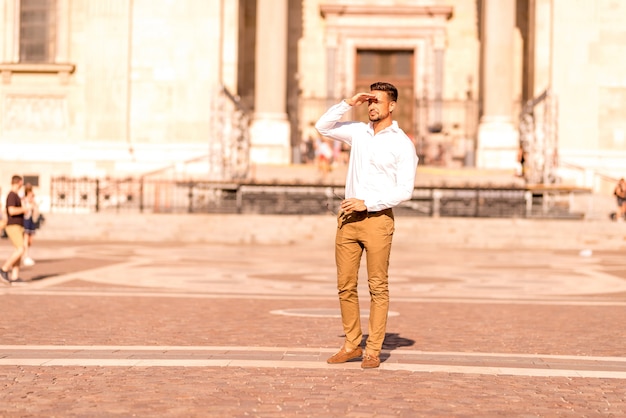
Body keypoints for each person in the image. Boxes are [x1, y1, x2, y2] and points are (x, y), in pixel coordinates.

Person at [315, 82, 418, 368]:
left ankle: (373, 349)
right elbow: (323, 126)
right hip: (348, 219)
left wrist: (368, 202)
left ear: (392, 106)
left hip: (378, 219)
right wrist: (349, 102)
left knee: (377, 286)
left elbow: (405, 190)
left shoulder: (402, 143)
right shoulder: (358, 132)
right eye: (369, 102)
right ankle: (351, 344)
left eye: (377, 102)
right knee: (345, 285)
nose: (372, 107)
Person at [1, 175, 29, 284]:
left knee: (18, 250)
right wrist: (24, 209)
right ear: (20, 182)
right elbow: (11, 211)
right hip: (13, 226)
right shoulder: (11, 195)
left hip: (18, 226)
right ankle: (4, 269)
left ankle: (15, 276)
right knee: (21, 249)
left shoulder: (16, 195)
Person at [22, 183, 40, 266]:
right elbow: (24, 211)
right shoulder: (23, 200)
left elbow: (36, 213)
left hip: (31, 220)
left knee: (30, 241)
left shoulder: (33, 202)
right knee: (25, 239)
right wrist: (29, 205)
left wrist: (35, 206)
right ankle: (25, 256)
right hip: (25, 220)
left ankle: (26, 253)